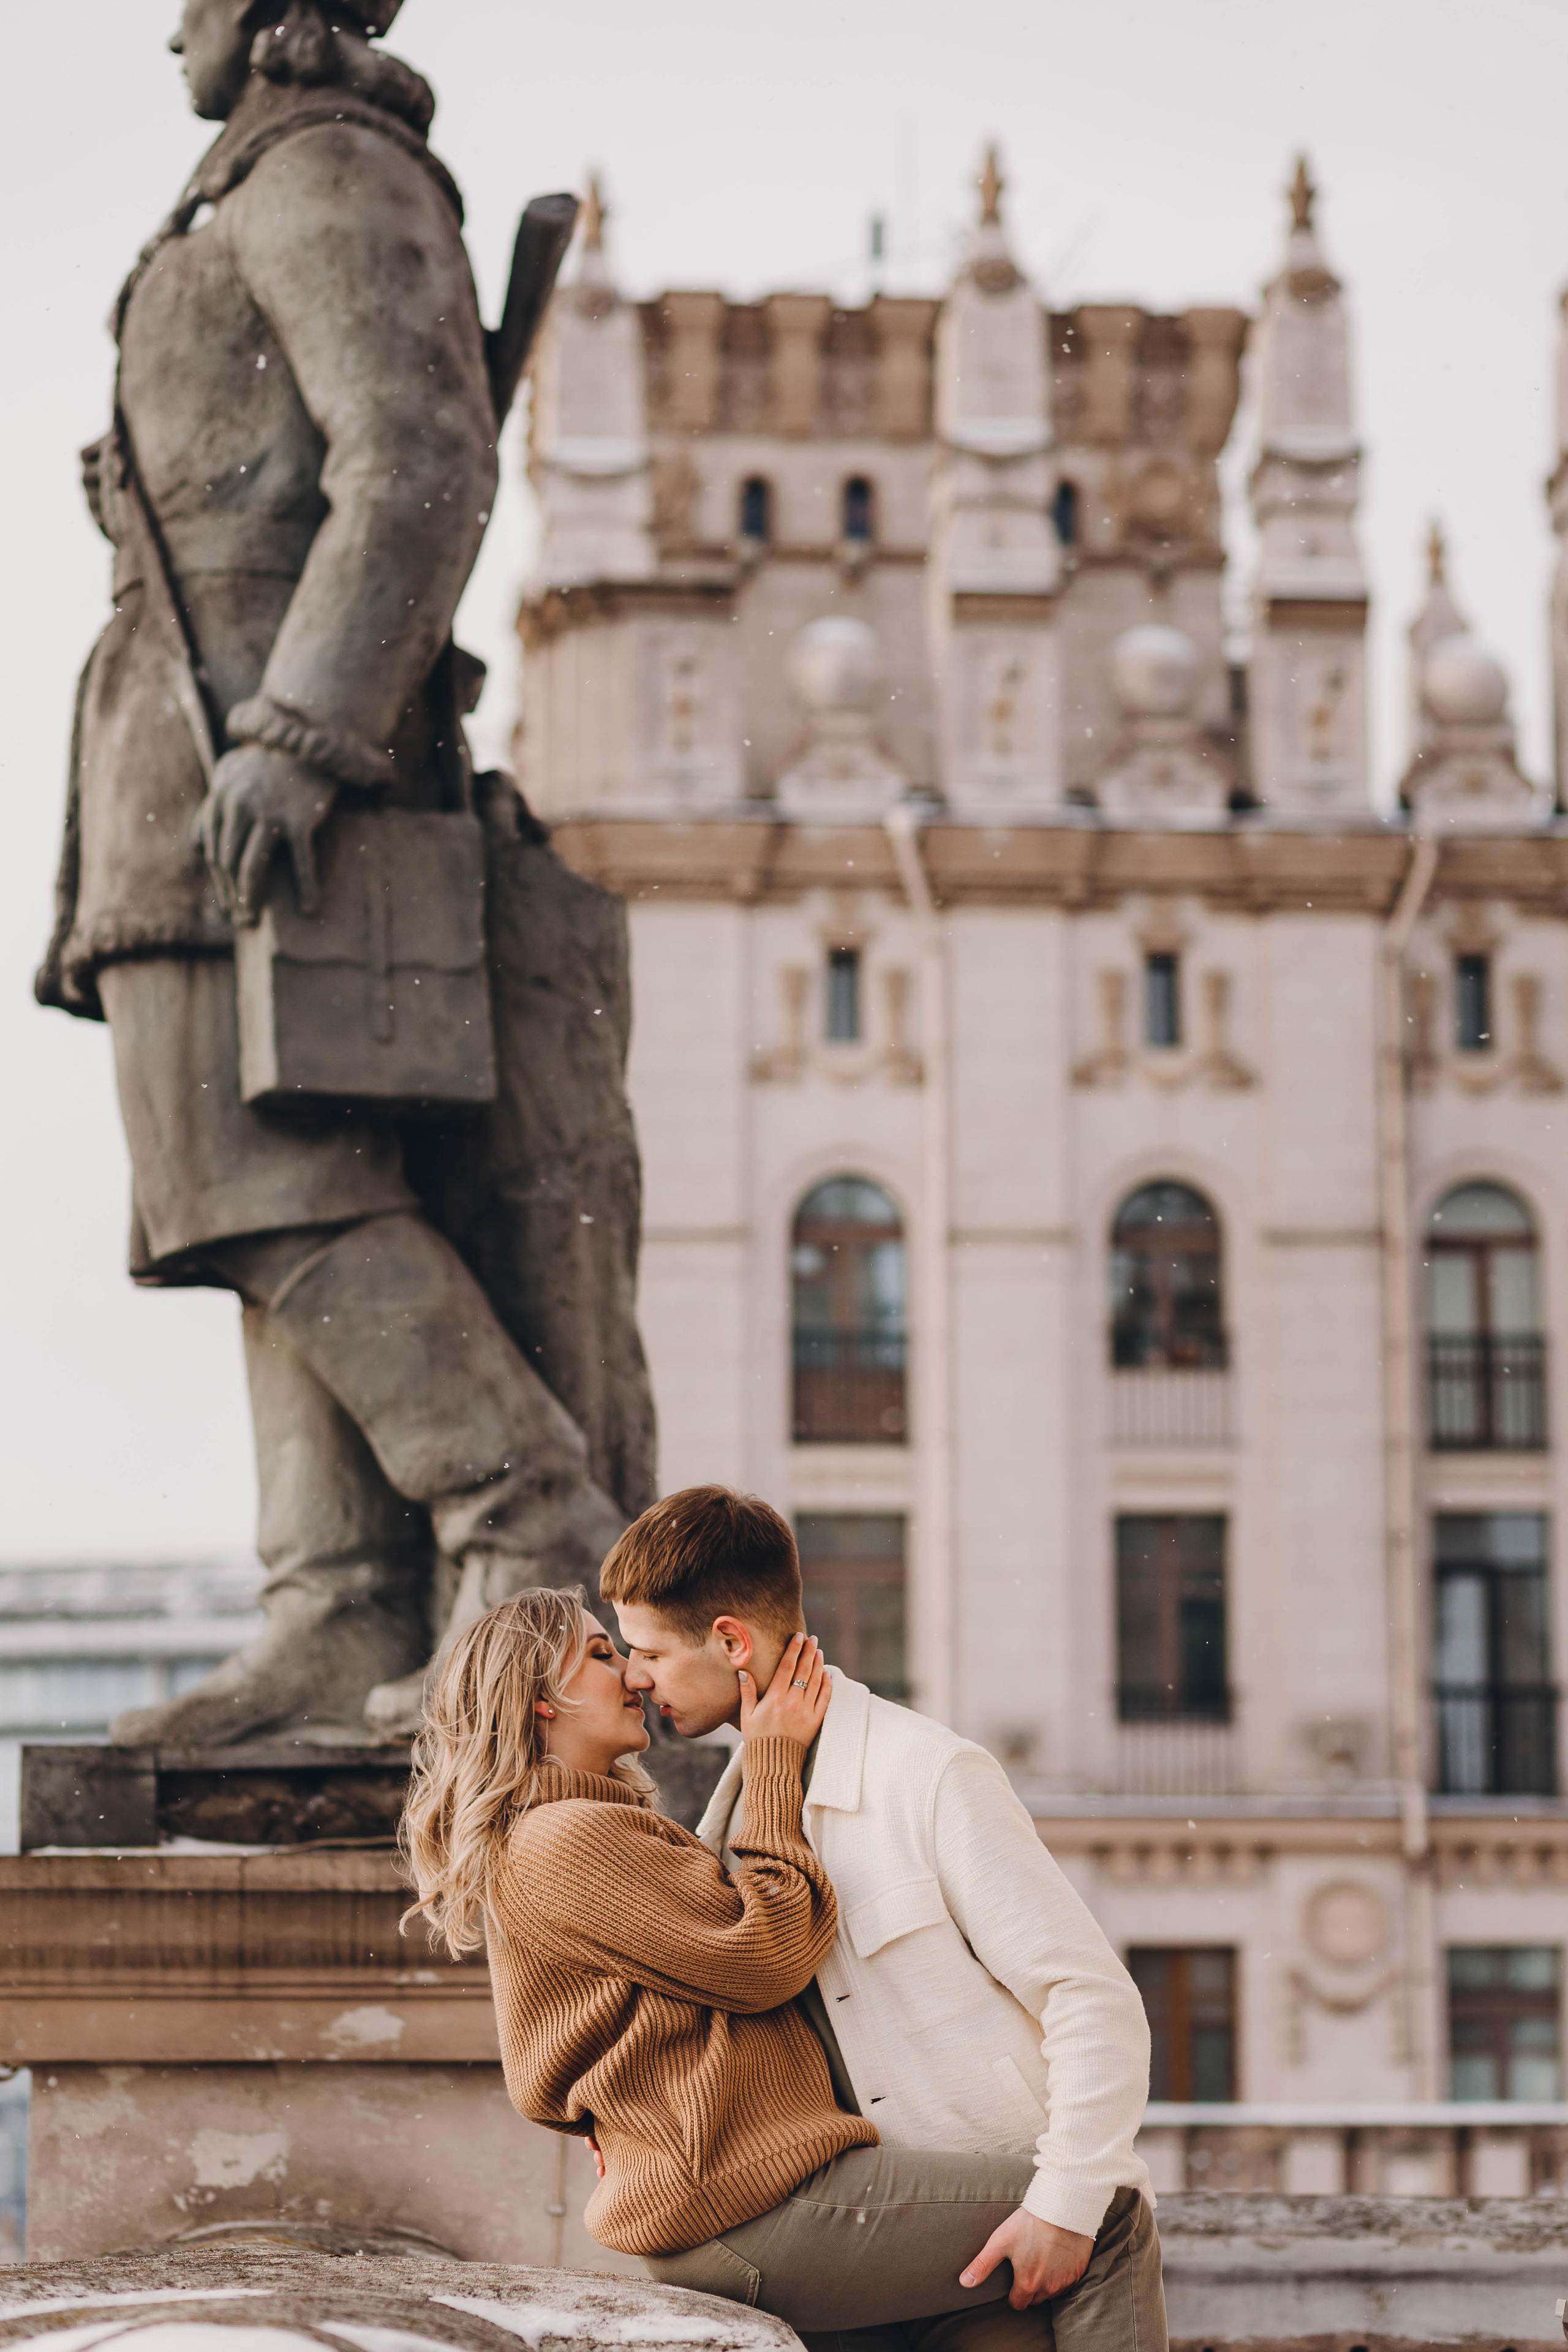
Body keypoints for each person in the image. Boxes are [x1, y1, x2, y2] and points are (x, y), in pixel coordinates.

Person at [37, 0, 635, 1751]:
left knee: (270, 1173)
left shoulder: (329, 169)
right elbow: (298, 464)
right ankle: (340, 1599)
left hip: (272, 774)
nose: (166, 30)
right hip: (187, 764)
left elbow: (421, 457)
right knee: (241, 1188)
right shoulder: (251, 186)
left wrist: (305, 726)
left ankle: (527, 1523)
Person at [401, 1588, 1134, 2352]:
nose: (632, 1676)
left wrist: (628, 2113)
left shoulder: (589, 1825)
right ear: (539, 1700)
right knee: (1100, 2210)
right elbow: (766, 1956)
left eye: (632, 1653)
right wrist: (775, 1761)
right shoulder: (567, 1837)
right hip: (759, 2208)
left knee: (986, 2307)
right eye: (601, 1654)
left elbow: (578, 2038)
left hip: (742, 2204)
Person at [601, 1488, 1166, 2350]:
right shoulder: (735, 1807)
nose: (634, 1679)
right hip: (852, 2255)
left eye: (647, 1652)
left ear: (730, 1641)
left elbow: (1094, 2002)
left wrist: (1064, 2203)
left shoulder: (928, 1774)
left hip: (1008, 2251)